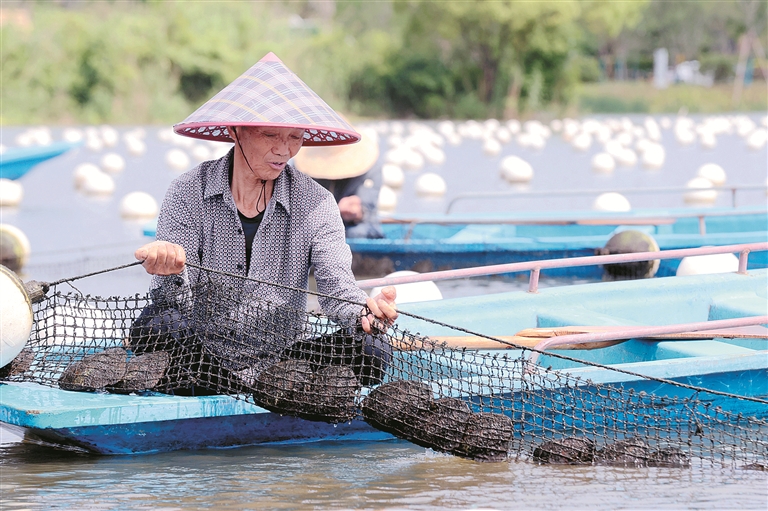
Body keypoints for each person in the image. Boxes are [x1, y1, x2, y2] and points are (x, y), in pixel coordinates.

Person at [131, 52, 397, 396]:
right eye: (271, 135)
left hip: (281, 358)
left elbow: (337, 289)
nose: (284, 150)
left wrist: (365, 312)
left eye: (295, 138)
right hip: (198, 351)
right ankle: (217, 383)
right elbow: (174, 297)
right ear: (235, 130)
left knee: (372, 350)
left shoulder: (316, 203)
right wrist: (167, 266)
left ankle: (263, 387)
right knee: (162, 326)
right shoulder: (188, 190)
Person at [292, 127, 384, 239]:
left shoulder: (371, 167)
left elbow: (369, 207)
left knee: (360, 232)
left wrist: (359, 211)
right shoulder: (300, 170)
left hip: (354, 228)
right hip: (315, 229)